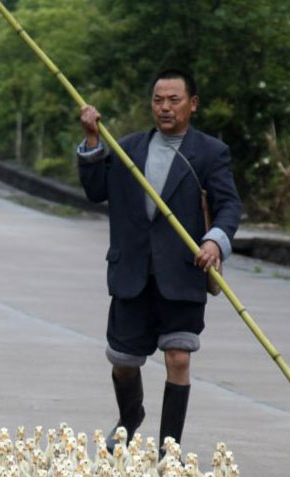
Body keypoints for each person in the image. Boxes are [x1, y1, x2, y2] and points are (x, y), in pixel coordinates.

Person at [76, 69, 242, 454]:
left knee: (178, 357)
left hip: (182, 273)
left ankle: (169, 450)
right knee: (123, 362)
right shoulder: (127, 149)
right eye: (158, 100)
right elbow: (95, 190)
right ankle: (130, 417)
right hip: (131, 271)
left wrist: (216, 242)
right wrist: (92, 139)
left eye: (174, 100)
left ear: (192, 104)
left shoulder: (210, 153)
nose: (165, 108)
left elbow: (229, 205)